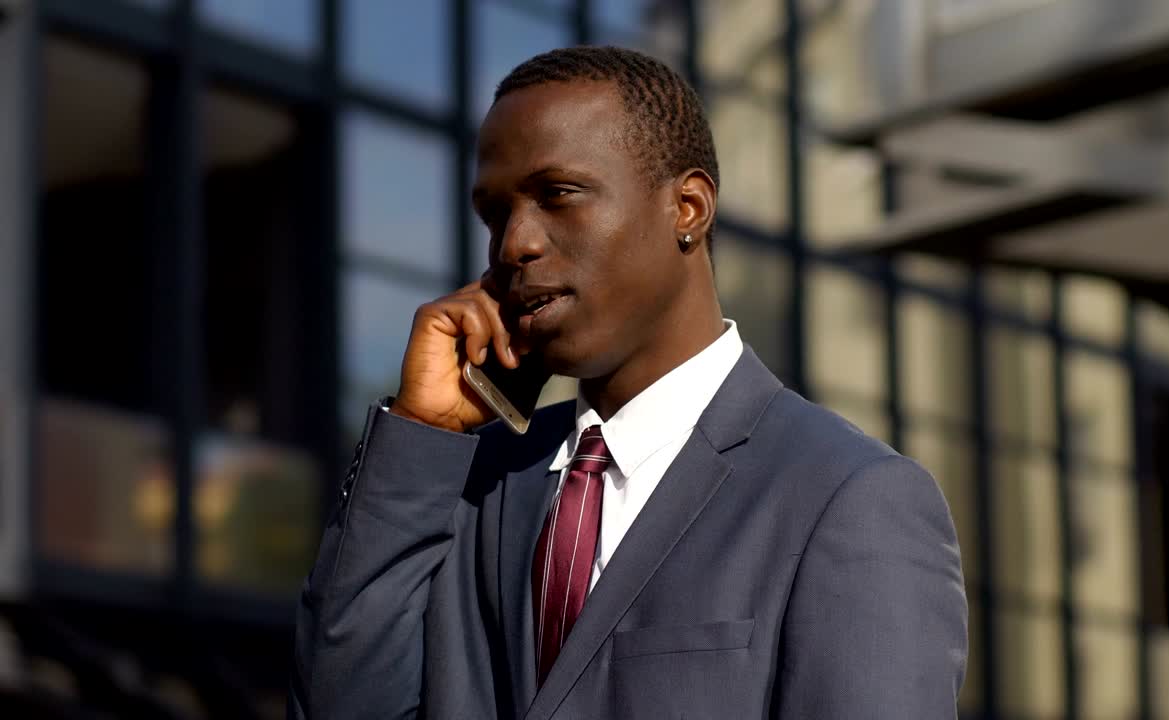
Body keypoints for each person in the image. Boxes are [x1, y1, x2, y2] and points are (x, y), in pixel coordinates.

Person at [289, 46, 966, 720]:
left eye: (558, 195)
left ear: (689, 208)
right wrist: (421, 433)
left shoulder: (847, 496)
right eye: (495, 213)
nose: (513, 244)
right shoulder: (471, 486)